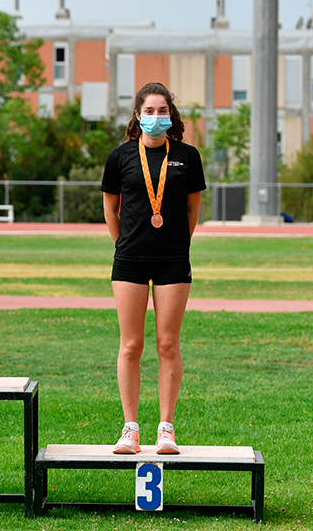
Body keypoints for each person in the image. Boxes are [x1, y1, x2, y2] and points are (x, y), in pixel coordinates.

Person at [101, 82, 206, 454]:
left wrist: (179, 242)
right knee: (130, 344)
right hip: (129, 259)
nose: (156, 118)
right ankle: (130, 428)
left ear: (171, 116)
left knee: (167, 343)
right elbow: (110, 207)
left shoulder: (188, 156)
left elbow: (193, 211)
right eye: (149, 111)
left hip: (174, 260)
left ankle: (166, 428)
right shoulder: (120, 157)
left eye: (162, 112)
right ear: (137, 116)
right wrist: (123, 243)